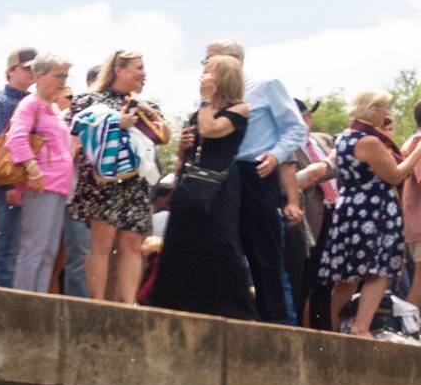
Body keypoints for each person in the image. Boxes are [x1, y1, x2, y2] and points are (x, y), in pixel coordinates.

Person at [205, 40, 309, 325]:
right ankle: (234, 317)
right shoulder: (207, 93)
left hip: (256, 172)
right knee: (223, 250)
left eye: (210, 60)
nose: (205, 66)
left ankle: (278, 324)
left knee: (264, 254)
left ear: (233, 59)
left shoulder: (265, 85)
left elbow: (296, 127)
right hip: (220, 176)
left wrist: (276, 156)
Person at [151, 53, 257, 319]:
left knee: (219, 240)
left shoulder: (239, 110)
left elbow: (212, 130)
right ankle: (175, 303)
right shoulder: (196, 112)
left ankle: (230, 307)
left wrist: (206, 100)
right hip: (192, 181)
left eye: (210, 72)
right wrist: (183, 147)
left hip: (220, 183)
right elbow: (184, 155)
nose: (204, 76)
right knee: (181, 240)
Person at [316, 90, 421, 335]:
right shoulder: (369, 142)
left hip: (350, 210)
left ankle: (335, 331)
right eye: (385, 109)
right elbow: (395, 174)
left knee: (346, 277)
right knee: (378, 271)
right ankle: (360, 327)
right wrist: (418, 151)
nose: (387, 116)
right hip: (375, 211)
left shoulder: (343, 138)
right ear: (372, 109)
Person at [70, 49, 168, 304]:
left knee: (133, 243)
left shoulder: (147, 106)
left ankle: (127, 305)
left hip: (134, 182)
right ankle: (98, 303)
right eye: (138, 67)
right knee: (102, 241)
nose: (143, 74)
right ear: (118, 69)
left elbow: (159, 136)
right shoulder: (89, 100)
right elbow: (76, 131)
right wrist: (116, 123)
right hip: (102, 180)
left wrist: (145, 117)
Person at [0, 52, 79, 293]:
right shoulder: (30, 104)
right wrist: (33, 170)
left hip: (58, 187)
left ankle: (38, 301)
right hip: (41, 186)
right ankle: (23, 303)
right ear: (39, 76)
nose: (62, 81)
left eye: (65, 76)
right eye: (58, 75)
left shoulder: (53, 108)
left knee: (48, 251)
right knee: (34, 249)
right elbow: (15, 139)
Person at [0, 47, 38, 286]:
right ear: (11, 70)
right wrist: (13, 184)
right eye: (27, 68)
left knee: (20, 248)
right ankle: (0, 300)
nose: (32, 72)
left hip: (26, 184)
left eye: (36, 68)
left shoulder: (33, 102)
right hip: (8, 185)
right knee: (8, 247)